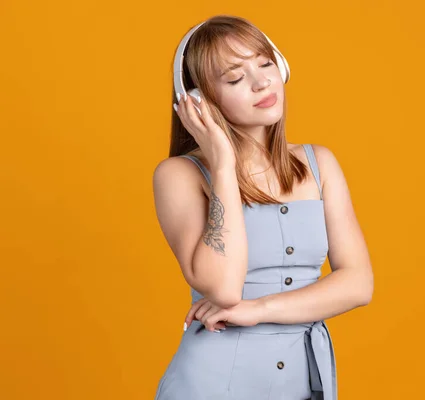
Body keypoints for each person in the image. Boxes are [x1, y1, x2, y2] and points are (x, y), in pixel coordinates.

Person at [152, 14, 373, 400]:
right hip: (212, 385)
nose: (261, 82)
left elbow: (358, 284)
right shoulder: (179, 175)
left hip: (304, 380)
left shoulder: (320, 164)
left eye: (266, 63)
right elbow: (222, 288)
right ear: (201, 102)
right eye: (235, 78)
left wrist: (260, 309)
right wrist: (222, 166)